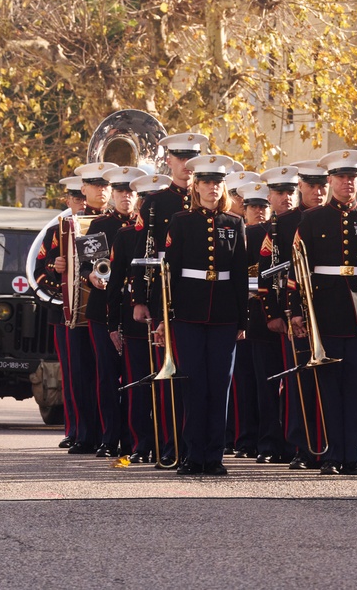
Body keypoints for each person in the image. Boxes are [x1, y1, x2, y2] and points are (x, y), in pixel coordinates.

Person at [292, 149, 357, 476]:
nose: (347, 183)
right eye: (341, 177)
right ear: (331, 179)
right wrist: (297, 314)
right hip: (325, 312)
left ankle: (355, 456)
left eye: (353, 177)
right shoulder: (311, 219)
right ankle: (333, 455)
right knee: (330, 390)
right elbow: (298, 272)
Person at [165, 154, 248, 476]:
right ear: (195, 186)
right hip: (189, 311)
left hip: (225, 314)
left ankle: (214, 456)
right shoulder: (181, 221)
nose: (212, 188)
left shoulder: (235, 223)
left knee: (220, 385)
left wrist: (243, 321)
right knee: (194, 385)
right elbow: (170, 272)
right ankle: (191, 454)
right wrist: (166, 315)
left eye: (217, 183)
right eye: (206, 183)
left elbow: (240, 275)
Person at [131, 133, 207, 467]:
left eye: (192, 159)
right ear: (170, 162)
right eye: (180, 159)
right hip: (164, 292)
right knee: (169, 374)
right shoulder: (156, 203)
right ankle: (169, 441)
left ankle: (199, 442)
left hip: (202, 295)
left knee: (200, 374)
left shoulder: (210, 198)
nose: (186, 166)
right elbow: (141, 253)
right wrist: (140, 298)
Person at [258, 159, 329, 470]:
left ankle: (329, 446)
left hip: (333, 314)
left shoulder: (336, 218)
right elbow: (267, 270)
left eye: (322, 186)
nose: (318, 192)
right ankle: (301, 447)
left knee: (329, 383)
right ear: (302, 187)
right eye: (311, 186)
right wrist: (274, 312)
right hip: (295, 316)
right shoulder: (283, 224)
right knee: (300, 383)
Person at [105, 173, 172, 465]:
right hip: (134, 320)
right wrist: (112, 325)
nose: (149, 209)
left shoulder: (174, 232)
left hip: (166, 314)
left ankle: (165, 442)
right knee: (137, 383)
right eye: (146, 202)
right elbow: (115, 283)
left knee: (165, 384)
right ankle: (139, 441)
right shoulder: (127, 235)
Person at [85, 165, 145, 457]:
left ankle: (133, 439)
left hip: (133, 308)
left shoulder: (145, 225)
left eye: (131, 191)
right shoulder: (100, 224)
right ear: (112, 194)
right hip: (103, 308)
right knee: (108, 375)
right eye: (121, 191)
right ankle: (109, 438)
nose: (126, 196)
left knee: (134, 375)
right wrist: (92, 276)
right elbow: (88, 264)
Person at [58, 161, 116, 454]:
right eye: (97, 185)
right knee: (84, 374)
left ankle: (112, 434)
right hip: (87, 309)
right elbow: (85, 266)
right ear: (85, 189)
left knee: (111, 375)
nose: (103, 190)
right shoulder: (85, 223)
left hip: (115, 309)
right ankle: (86, 432)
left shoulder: (125, 220)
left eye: (108, 186)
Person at [34, 176, 85, 449]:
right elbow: (38, 272)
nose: (83, 203)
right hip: (64, 311)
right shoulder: (56, 231)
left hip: (99, 311)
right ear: (68, 202)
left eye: (86, 197)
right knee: (72, 372)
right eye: (78, 199)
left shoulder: (108, 225)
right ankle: (74, 428)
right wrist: (56, 266)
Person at [254, 166, 300, 463]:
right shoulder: (263, 231)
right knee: (269, 383)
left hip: (298, 315)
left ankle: (294, 442)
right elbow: (264, 277)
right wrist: (272, 314)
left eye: (291, 192)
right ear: (269, 196)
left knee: (296, 384)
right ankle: (270, 442)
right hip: (270, 318)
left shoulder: (302, 223)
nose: (286, 198)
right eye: (280, 193)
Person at [233, 182, 271, 460]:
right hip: (247, 315)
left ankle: (264, 438)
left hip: (267, 315)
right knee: (245, 383)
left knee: (265, 383)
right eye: (253, 207)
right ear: (244, 210)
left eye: (263, 207)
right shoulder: (242, 236)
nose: (259, 211)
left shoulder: (274, 234)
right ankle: (246, 438)